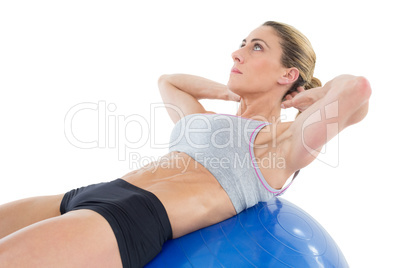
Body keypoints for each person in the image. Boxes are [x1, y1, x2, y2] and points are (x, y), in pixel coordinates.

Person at [0, 21, 371, 268]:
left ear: (288, 74)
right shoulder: (203, 120)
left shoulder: (281, 144)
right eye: (241, 43)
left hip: (132, 219)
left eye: (256, 48)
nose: (237, 53)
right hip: (95, 193)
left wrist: (314, 96)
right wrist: (229, 92)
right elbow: (169, 82)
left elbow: (356, 90)